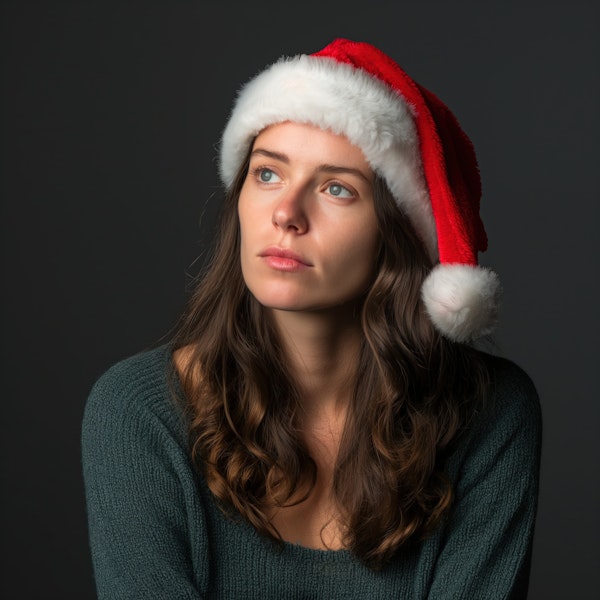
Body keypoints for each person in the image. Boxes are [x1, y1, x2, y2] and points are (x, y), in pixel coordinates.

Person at [82, 38, 542, 599]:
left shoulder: (493, 416)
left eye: (336, 188)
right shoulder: (138, 413)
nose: (285, 213)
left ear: (397, 233)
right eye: (268, 174)